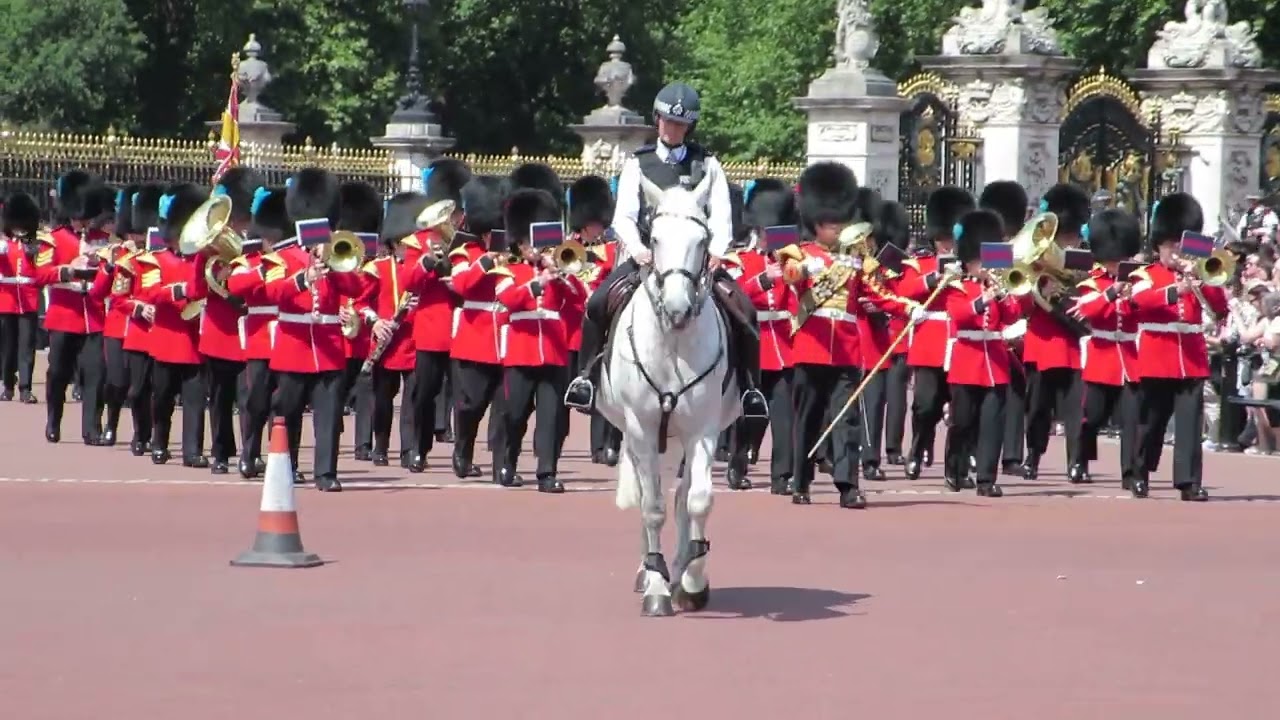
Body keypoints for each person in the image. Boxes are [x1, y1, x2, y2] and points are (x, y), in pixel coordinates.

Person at [563, 81, 767, 418]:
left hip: (695, 262)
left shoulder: (707, 164)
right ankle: (586, 378)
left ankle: (749, 389)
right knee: (598, 303)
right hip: (647, 258)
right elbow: (624, 217)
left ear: (689, 127)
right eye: (668, 121)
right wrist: (637, 249)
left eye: (680, 124)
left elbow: (721, 215)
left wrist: (717, 250)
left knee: (744, 309)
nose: (672, 129)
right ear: (657, 119)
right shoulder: (637, 164)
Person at [262, 168, 365, 492]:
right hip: (294, 344)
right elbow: (272, 293)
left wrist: (332, 263)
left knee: (329, 415)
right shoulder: (282, 257)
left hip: (328, 346)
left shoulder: (335, 254)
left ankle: (326, 473)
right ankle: (287, 465)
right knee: (288, 412)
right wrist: (301, 279)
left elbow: (357, 288)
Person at [1128, 192, 1227, 501]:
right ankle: (1140, 473)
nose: (1176, 250)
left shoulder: (1197, 274)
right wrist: (1176, 290)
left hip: (1191, 355)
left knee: (1189, 424)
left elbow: (1220, 308)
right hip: (1158, 353)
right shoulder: (1145, 274)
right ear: (1159, 246)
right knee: (1152, 422)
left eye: (1180, 244)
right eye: (1171, 244)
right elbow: (1140, 301)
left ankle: (1189, 482)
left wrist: (1203, 279)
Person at [779, 161, 866, 508]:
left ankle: (848, 486)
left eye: (840, 223)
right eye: (832, 224)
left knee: (847, 420)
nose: (838, 229)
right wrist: (804, 268)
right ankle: (801, 481)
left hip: (846, 350)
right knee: (808, 417)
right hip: (811, 348)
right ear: (817, 223)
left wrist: (910, 309)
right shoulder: (800, 253)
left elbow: (877, 294)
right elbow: (788, 274)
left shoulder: (855, 260)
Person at [492, 188, 585, 492]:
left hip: (554, 351)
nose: (537, 249)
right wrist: (538, 283)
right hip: (522, 350)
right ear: (521, 244)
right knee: (515, 413)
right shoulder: (509, 269)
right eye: (531, 243)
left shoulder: (557, 270)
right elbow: (509, 299)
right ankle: (507, 462)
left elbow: (581, 300)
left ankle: (547, 472)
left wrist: (564, 275)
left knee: (551, 416)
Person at [941, 209, 1022, 497]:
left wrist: (1003, 294)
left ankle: (987, 479)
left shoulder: (998, 285)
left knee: (992, 424)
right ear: (968, 261)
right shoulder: (957, 286)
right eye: (978, 261)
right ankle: (956, 470)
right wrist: (981, 301)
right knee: (962, 422)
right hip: (967, 359)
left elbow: (1012, 316)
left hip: (995, 362)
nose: (984, 266)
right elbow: (959, 315)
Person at [724, 177, 797, 494]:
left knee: (784, 417)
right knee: (751, 413)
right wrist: (764, 280)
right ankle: (738, 464)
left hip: (784, 344)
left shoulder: (791, 261)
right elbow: (734, 294)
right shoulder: (741, 260)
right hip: (754, 344)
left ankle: (782, 476)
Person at [897, 186, 975, 481]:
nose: (947, 245)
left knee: (962, 409)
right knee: (925, 405)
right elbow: (905, 291)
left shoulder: (972, 267)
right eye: (943, 239)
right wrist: (933, 278)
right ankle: (917, 450)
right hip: (930, 341)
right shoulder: (920, 264)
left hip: (961, 341)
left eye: (951, 239)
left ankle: (958, 464)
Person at [32, 171, 113, 444]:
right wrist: (68, 270)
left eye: (87, 216)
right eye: (80, 216)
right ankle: (53, 420)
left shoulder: (102, 240)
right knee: (58, 374)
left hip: (94, 317)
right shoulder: (53, 239)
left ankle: (92, 429)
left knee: (96, 374)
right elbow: (40, 275)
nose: (84, 221)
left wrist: (103, 265)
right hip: (64, 316)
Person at [191, 169, 260, 474]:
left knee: (250, 398)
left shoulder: (258, 243)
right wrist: (216, 279)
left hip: (249, 329)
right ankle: (220, 452)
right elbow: (195, 290)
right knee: (220, 397)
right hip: (220, 330)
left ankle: (250, 453)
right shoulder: (209, 247)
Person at [1020, 184, 1091, 481]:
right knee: (1038, 407)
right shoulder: (1036, 256)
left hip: (1074, 343)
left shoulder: (1086, 258)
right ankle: (1033, 456)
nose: (1068, 241)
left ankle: (1078, 462)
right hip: (1043, 340)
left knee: (1077, 410)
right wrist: (1037, 287)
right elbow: (1022, 304)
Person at [136, 183, 210, 466]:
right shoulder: (156, 260)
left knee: (195, 400)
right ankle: (159, 443)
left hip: (195, 340)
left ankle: (193, 451)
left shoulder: (203, 259)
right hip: (167, 339)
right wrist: (180, 291)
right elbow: (151, 293)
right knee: (163, 398)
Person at [1069, 208, 1142, 487]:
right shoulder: (1092, 282)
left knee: (1132, 419)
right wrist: (1112, 292)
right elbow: (1089, 310)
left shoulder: (1137, 281)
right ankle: (1080, 460)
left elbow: (1144, 312)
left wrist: (1133, 298)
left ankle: (1131, 473)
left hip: (1130, 357)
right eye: (1113, 259)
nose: (1117, 264)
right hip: (1102, 356)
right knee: (1092, 417)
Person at [224, 185, 292, 479]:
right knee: (256, 401)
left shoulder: (290, 258)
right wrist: (264, 270)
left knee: (285, 401)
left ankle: (282, 458)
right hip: (260, 337)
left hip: (287, 335)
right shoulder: (247, 262)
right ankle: (249, 455)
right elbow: (236, 286)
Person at [563, 174, 622, 466]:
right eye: (596, 223)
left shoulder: (611, 250)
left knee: (603, 387)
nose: (600, 227)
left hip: (600, 328)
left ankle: (602, 446)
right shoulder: (566, 248)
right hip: (571, 330)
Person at [977, 180, 1031, 477]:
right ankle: (978, 453)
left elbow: (1021, 290)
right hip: (989, 332)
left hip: (1013, 327)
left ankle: (1012, 456)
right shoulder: (988, 250)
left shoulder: (1022, 247)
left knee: (1015, 393)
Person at [0, 192, 43, 405]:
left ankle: (25, 388)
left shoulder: (34, 243)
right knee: (8, 347)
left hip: (28, 300)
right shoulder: (4, 243)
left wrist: (30, 247)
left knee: (26, 347)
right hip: (6, 300)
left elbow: (40, 267)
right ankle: (8, 385)